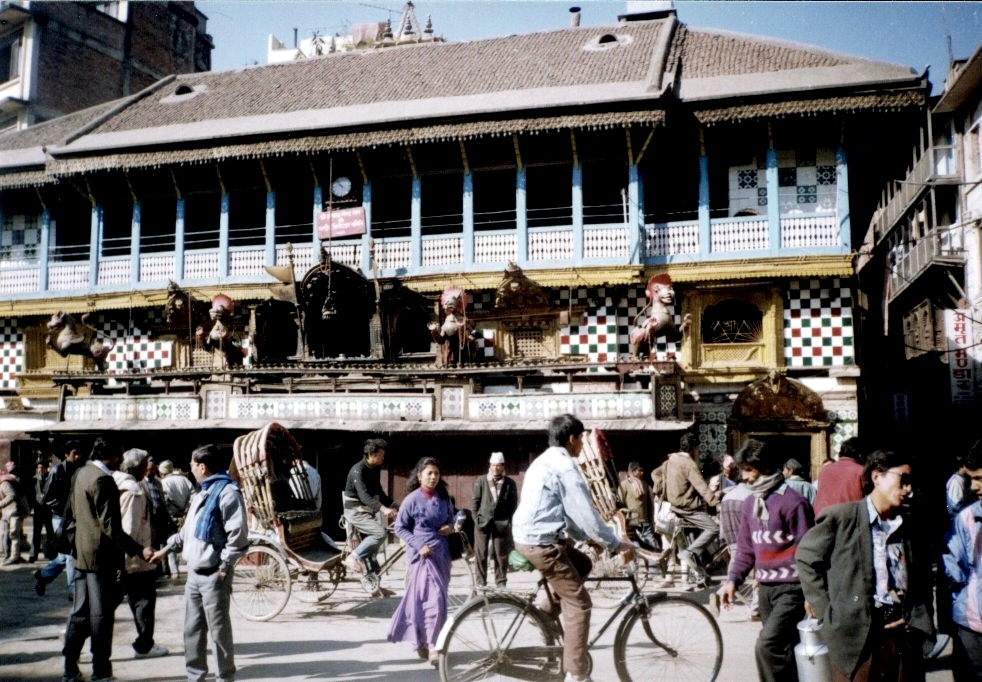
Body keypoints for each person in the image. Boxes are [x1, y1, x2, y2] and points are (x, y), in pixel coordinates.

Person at [512, 414, 634, 682]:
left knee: (583, 564)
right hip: (542, 543)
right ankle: (576, 674)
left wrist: (588, 538)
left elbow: (565, 512)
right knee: (580, 604)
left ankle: (544, 613)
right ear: (572, 439)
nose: (582, 445)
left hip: (530, 535)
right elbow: (587, 514)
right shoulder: (566, 467)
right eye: (581, 439)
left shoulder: (543, 461)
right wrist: (613, 542)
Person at [796, 449, 936, 681]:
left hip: (904, 635)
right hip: (858, 641)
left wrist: (919, 617)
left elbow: (922, 577)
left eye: (912, 482)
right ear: (877, 476)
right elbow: (806, 558)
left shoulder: (911, 525)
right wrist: (827, 612)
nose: (908, 489)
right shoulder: (842, 518)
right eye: (903, 480)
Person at [151, 444, 249, 682]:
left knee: (219, 633)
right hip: (194, 575)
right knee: (192, 630)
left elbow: (238, 538)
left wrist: (224, 568)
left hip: (215, 574)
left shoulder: (228, 493)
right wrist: (164, 550)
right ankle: (195, 676)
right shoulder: (201, 492)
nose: (190, 468)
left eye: (193, 465)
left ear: (202, 467)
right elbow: (187, 533)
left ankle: (225, 677)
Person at [721, 439, 814, 682]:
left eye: (749, 470)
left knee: (766, 646)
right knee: (784, 651)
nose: (744, 476)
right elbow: (745, 547)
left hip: (792, 590)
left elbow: (807, 552)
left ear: (767, 468)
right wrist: (732, 580)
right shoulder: (751, 502)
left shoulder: (794, 503)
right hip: (765, 590)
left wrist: (810, 594)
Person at [62, 438, 154, 682]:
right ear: (111, 456)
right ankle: (100, 671)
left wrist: (77, 545)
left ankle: (70, 668)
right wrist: (138, 550)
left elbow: (70, 517)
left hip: (82, 555)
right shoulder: (103, 480)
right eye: (119, 457)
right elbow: (112, 527)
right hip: (101, 557)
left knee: (80, 613)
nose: (121, 462)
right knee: (101, 617)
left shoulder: (82, 473)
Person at [387, 456, 457, 666]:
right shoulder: (411, 500)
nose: (434, 477)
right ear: (419, 477)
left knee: (439, 601)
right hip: (421, 557)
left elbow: (452, 519)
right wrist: (418, 545)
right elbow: (399, 527)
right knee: (430, 601)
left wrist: (450, 527)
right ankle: (434, 646)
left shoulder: (444, 498)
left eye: (436, 473)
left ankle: (426, 643)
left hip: (441, 556)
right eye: (429, 473)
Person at [112, 448, 168, 659]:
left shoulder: (114, 481)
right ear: (137, 467)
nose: (148, 468)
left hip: (122, 556)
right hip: (134, 558)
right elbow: (130, 527)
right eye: (145, 465)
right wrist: (135, 555)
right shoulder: (132, 489)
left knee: (106, 603)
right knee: (143, 601)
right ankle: (144, 645)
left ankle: (75, 641)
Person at [943, 443, 982, 680]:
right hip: (973, 626)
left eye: (979, 478)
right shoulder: (965, 518)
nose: (974, 486)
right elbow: (952, 570)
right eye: (972, 479)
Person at [661, 432, 719, 579]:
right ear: (693, 449)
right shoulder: (689, 464)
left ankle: (697, 571)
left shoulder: (669, 461)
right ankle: (689, 554)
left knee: (693, 538)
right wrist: (716, 503)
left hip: (674, 507)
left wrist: (661, 492)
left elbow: (656, 475)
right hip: (687, 508)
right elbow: (702, 487)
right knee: (713, 528)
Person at [35, 440, 86, 598]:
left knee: (65, 555)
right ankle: (73, 590)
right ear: (66, 454)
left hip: (78, 516)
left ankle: (44, 575)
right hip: (61, 516)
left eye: (79, 452)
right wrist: (65, 508)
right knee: (71, 554)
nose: (77, 456)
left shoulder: (82, 469)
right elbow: (48, 497)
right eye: (74, 453)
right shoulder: (58, 470)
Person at [343, 438, 398, 577]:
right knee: (379, 533)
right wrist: (384, 509)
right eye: (381, 455)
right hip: (354, 511)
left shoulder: (375, 468)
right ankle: (352, 557)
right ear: (371, 455)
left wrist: (393, 504)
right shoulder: (357, 470)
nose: (383, 457)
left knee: (373, 552)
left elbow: (378, 490)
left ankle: (374, 584)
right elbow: (364, 496)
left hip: (366, 510)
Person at [470, 451, 519, 587]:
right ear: (489, 466)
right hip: (482, 522)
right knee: (481, 554)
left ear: (503, 466)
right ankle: (481, 583)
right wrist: (476, 519)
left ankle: (501, 583)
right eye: (493, 465)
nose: (496, 468)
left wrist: (508, 520)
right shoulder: (481, 481)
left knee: (501, 555)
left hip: (501, 523)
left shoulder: (510, 483)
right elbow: (475, 502)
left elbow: (513, 504)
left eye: (499, 465)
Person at [812, 436, 865, 517]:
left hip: (823, 520)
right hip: (848, 521)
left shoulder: (825, 470)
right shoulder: (861, 471)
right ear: (860, 454)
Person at [159, 459, 195, 577]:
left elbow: (163, 502)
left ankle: (174, 571)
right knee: (189, 541)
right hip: (186, 516)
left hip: (171, 518)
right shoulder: (185, 480)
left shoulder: (163, 483)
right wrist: (187, 511)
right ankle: (191, 568)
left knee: (171, 542)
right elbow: (193, 496)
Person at [618, 460, 657, 550]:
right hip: (632, 523)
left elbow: (650, 504)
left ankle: (655, 564)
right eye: (639, 470)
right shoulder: (624, 485)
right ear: (633, 471)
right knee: (636, 548)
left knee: (652, 546)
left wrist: (652, 521)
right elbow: (620, 504)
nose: (642, 473)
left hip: (645, 522)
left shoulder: (645, 485)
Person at [0, 461, 29, 564]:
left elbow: (11, 495)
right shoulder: (8, 481)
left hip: (13, 512)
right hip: (9, 513)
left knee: (13, 535)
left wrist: (0, 504)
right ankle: (12, 555)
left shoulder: (5, 483)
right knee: (9, 535)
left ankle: (14, 557)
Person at [30, 452, 55, 561]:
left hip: (48, 510)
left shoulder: (51, 478)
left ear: (45, 468)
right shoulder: (34, 479)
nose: (40, 470)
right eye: (38, 468)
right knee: (36, 533)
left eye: (41, 468)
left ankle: (51, 554)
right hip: (38, 509)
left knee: (50, 533)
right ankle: (33, 554)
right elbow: (31, 494)